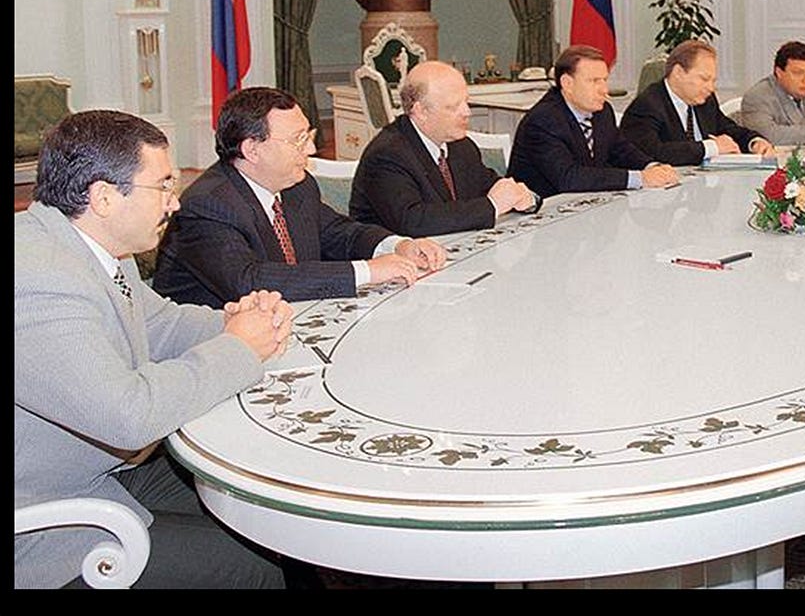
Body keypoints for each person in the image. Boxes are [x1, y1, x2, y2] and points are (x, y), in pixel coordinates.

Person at [15, 110, 293, 588]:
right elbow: (128, 416)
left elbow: (160, 324)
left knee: (264, 509)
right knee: (256, 566)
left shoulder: (89, 243)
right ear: (103, 197)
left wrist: (239, 322)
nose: (175, 202)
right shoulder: (39, 278)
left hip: (102, 467)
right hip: (45, 513)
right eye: (163, 186)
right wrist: (238, 348)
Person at [152, 87, 447, 308]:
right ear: (252, 149)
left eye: (308, 136)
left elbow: (338, 233)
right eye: (298, 140)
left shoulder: (297, 185)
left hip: (293, 318)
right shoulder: (207, 205)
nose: (311, 150)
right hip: (212, 343)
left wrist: (397, 245)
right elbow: (251, 282)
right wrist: (367, 271)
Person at [351, 61, 539, 237]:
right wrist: (492, 206)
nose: (467, 112)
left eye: (466, 102)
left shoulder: (461, 146)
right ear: (421, 111)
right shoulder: (387, 154)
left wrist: (524, 197)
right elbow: (412, 221)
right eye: (454, 106)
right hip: (396, 257)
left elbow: (491, 186)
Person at [507, 45, 679, 198]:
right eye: (594, 81)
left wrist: (652, 166)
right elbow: (569, 178)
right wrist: (639, 178)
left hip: (585, 205)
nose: (604, 90)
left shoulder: (602, 111)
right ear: (567, 83)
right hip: (540, 213)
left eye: (605, 80)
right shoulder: (543, 121)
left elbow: (621, 150)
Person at [620, 39, 774, 166]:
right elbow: (652, 152)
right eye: (704, 79)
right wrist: (711, 147)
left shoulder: (705, 100)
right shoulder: (647, 105)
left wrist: (754, 142)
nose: (711, 88)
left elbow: (727, 128)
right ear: (678, 72)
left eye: (713, 81)